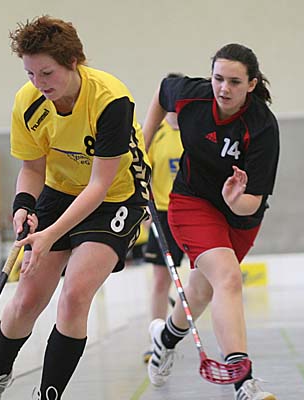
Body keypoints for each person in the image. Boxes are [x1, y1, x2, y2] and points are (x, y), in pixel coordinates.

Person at [0, 15, 150, 400]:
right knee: (27, 299)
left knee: (74, 296)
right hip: (60, 189)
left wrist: (50, 235)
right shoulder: (28, 102)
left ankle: (48, 395)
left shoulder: (110, 100)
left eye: (47, 73)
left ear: (73, 62)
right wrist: (23, 206)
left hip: (115, 197)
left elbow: (99, 186)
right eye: (30, 73)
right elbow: (33, 168)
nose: (39, 83)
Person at [142, 43, 279, 400]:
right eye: (218, 78)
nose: (223, 88)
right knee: (228, 278)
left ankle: (164, 339)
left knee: (203, 290)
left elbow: (253, 202)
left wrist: (235, 200)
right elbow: (161, 93)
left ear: (251, 84)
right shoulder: (193, 95)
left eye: (234, 82)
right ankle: (242, 380)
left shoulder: (262, 127)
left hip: (241, 216)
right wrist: (142, 148)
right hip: (193, 202)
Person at [141, 86, 185, 362]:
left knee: (206, 279)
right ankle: (155, 340)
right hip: (163, 214)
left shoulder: (193, 130)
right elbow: (141, 173)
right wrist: (145, 212)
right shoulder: (156, 133)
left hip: (192, 213)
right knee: (160, 280)